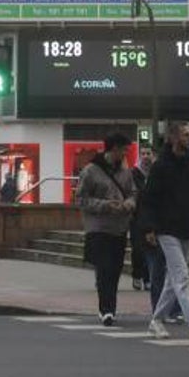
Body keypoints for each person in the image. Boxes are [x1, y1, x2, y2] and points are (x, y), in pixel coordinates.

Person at [140, 122, 189, 343]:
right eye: (185, 134)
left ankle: (156, 320)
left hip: (188, 228)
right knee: (181, 276)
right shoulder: (161, 167)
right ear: (173, 138)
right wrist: (148, 227)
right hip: (167, 229)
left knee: (172, 279)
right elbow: (149, 199)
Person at [76, 132, 137, 326]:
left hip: (119, 228)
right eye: (123, 150)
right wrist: (104, 205)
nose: (126, 153)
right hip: (98, 227)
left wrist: (129, 203)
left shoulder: (126, 172)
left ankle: (110, 305)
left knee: (115, 270)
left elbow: (133, 192)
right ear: (113, 149)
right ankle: (106, 309)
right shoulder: (91, 171)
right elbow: (81, 199)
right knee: (104, 268)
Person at [129, 145, 155, 291]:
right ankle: (137, 275)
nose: (145, 156)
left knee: (150, 248)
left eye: (148, 153)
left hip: (152, 216)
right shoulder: (134, 173)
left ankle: (148, 278)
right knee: (138, 248)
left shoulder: (156, 172)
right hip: (137, 216)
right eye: (143, 153)